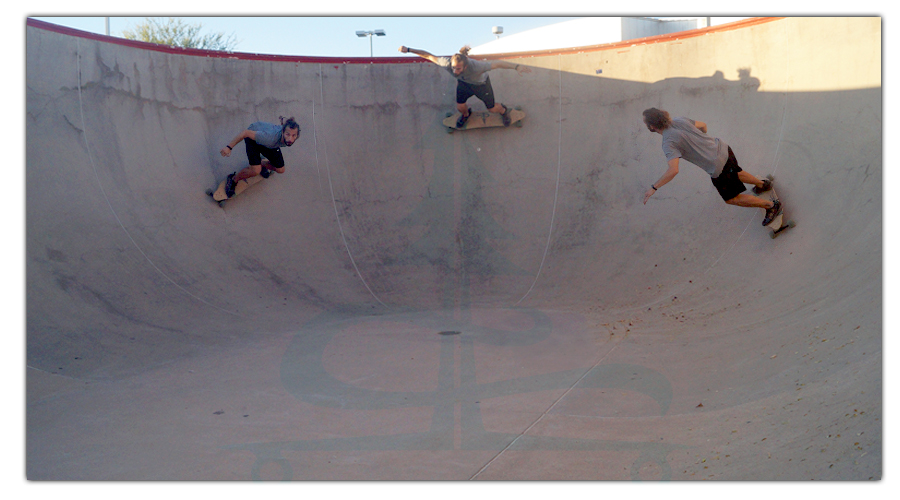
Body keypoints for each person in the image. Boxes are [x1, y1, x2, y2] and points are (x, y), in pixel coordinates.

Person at [641, 108, 782, 225]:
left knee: (731, 199)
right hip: (723, 148)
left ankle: (771, 206)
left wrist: (654, 188)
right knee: (735, 171)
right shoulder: (679, 120)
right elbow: (703, 125)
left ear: (652, 126)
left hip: (717, 167)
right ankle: (763, 184)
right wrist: (703, 142)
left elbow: (673, 170)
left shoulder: (668, 143)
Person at [399, 45, 531, 128]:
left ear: (466, 66)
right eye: (454, 68)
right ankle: (467, 114)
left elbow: (496, 64)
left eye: (458, 69)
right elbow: (428, 55)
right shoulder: (447, 63)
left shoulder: (476, 66)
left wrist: (517, 67)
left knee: (492, 109)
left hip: (481, 85)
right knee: (460, 107)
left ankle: (504, 111)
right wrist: (409, 50)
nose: (455, 71)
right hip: (464, 85)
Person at [219, 116, 300, 197]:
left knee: (280, 169)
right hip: (253, 138)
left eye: (294, 135)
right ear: (282, 132)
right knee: (255, 171)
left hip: (270, 145)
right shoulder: (270, 137)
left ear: (297, 135)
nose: (290, 139)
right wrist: (229, 147)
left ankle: (261, 163)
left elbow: (287, 123)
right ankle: (233, 179)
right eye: (287, 134)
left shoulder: (287, 130)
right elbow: (246, 133)